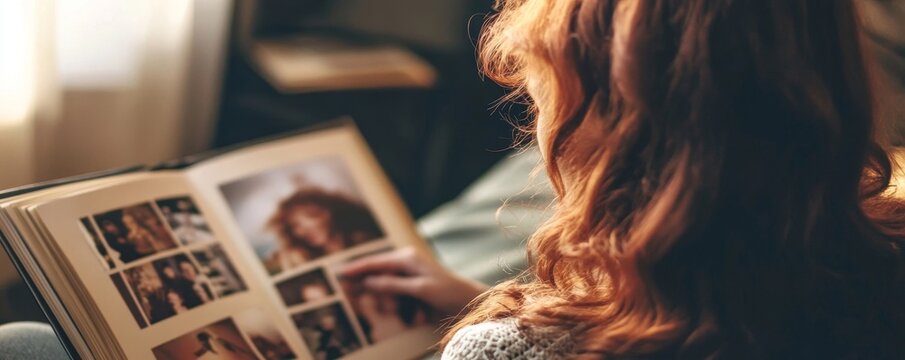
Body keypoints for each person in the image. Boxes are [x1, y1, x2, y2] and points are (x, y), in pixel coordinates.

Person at [342, 0, 905, 358]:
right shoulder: (882, 274)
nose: (537, 133)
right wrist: (477, 302)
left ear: (622, 131)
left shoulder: (508, 351)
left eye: (539, 99)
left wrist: (514, 335)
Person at [268, 188, 383, 272]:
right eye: (294, 226)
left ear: (329, 213)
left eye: (312, 215)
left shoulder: (364, 239)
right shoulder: (304, 255)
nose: (302, 232)